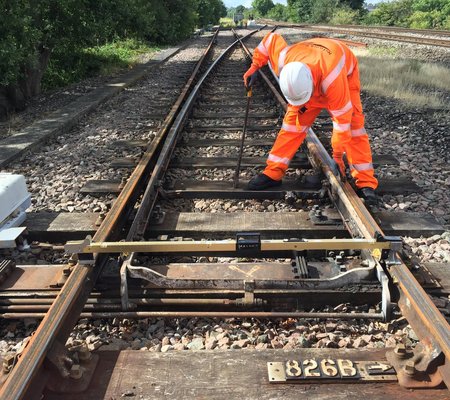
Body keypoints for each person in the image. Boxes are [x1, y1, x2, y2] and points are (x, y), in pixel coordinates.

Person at [243, 32, 378, 204]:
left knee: (354, 127)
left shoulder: (334, 80)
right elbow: (270, 40)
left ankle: (365, 182)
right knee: (292, 125)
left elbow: (342, 124)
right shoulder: (284, 60)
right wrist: (255, 66)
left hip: (342, 74)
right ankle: (273, 173)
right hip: (312, 66)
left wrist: (336, 156)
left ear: (311, 88)